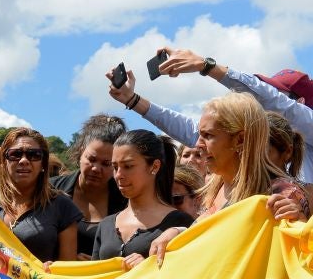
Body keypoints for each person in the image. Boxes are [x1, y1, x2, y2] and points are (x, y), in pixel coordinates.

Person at [148, 92, 309, 264]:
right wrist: (178, 232)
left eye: (208, 135)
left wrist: (300, 225)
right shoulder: (215, 189)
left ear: (239, 140)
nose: (198, 144)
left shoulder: (282, 194)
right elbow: (207, 236)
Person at [116, 51, 313, 180]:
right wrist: (133, 100)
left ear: (300, 104)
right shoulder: (246, 141)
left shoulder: (307, 129)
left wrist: (206, 66)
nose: (257, 101)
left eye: (272, 93)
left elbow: (275, 102)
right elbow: (192, 131)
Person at [91, 130, 194, 269]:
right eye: (115, 167)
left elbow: (188, 275)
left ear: (154, 166)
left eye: (128, 166)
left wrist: (147, 268)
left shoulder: (180, 223)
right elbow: (93, 278)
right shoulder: (106, 225)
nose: (118, 175)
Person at [0, 128, 81, 263]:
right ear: (3, 161)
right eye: (16, 154)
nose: (24, 160)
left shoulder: (62, 206)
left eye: (34, 155)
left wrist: (54, 269)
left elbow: (67, 270)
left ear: (43, 164)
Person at [50, 114, 127, 259]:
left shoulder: (126, 199)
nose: (96, 169)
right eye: (91, 159)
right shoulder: (50, 189)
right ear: (80, 152)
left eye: (106, 164)